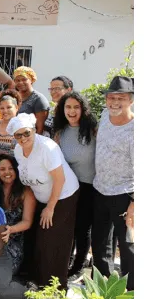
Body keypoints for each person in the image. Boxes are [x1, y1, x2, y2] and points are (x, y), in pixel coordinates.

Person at [7, 113, 80, 295]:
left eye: (26, 133)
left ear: (34, 130)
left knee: (52, 241)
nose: (23, 138)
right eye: (18, 135)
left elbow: (60, 179)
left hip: (62, 196)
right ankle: (37, 279)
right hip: (42, 196)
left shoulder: (47, 148)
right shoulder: (18, 150)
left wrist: (50, 207)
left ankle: (55, 288)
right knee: (37, 238)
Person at [91, 76, 134, 291]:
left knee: (128, 247)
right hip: (100, 189)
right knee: (100, 244)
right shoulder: (104, 116)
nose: (115, 102)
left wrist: (134, 203)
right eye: (111, 97)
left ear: (131, 100)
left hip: (124, 195)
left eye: (121, 98)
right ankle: (102, 290)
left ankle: (132, 295)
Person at [53, 91, 98, 281]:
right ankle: (66, 262)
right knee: (68, 227)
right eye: (68, 107)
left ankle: (79, 266)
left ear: (83, 109)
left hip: (89, 186)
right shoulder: (60, 132)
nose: (71, 111)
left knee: (82, 228)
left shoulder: (93, 130)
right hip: (68, 187)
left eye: (76, 107)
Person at [0, 154, 36, 275]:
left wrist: (10, 230)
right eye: (2, 169)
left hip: (12, 241)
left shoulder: (26, 191)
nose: (7, 172)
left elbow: (27, 222)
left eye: (10, 168)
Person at [0, 91, 22, 171]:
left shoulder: (21, 127)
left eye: (9, 107)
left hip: (12, 171)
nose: (5, 111)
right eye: (2, 108)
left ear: (16, 107)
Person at [14, 66, 50, 135]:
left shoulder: (39, 99)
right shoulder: (14, 97)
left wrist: (34, 141)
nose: (20, 82)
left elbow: (40, 128)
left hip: (30, 138)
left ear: (31, 80)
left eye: (24, 79)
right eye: (17, 80)